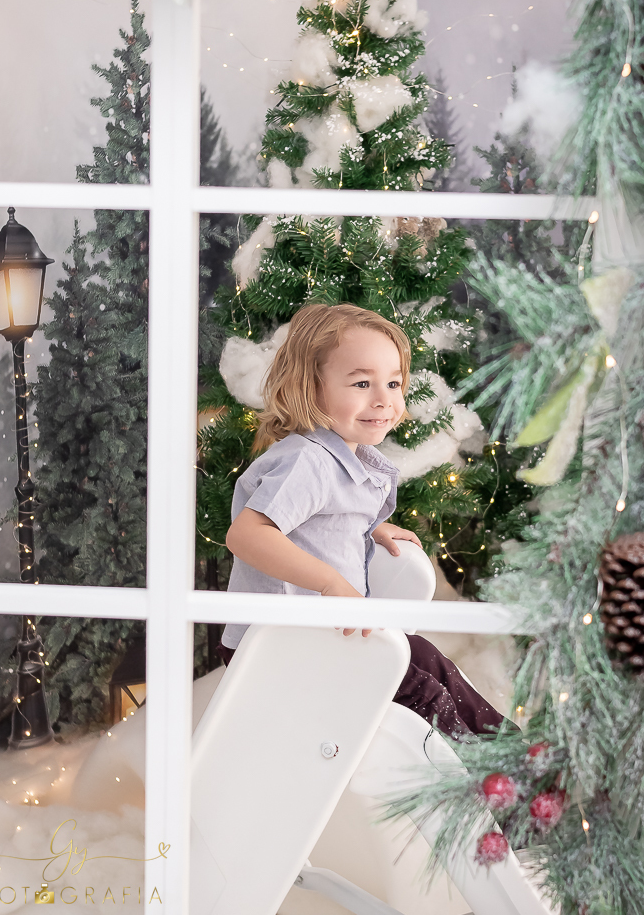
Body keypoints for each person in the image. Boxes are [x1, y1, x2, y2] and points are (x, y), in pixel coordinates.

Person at [216, 302, 508, 739]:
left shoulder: (342, 455)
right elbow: (247, 534)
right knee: (418, 691)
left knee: (423, 657)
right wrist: (332, 584)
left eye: (393, 383)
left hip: (319, 639)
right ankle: (503, 785)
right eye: (362, 383)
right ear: (312, 389)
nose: (384, 400)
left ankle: (514, 754)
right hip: (282, 649)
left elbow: (312, 521)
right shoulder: (308, 460)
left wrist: (366, 527)